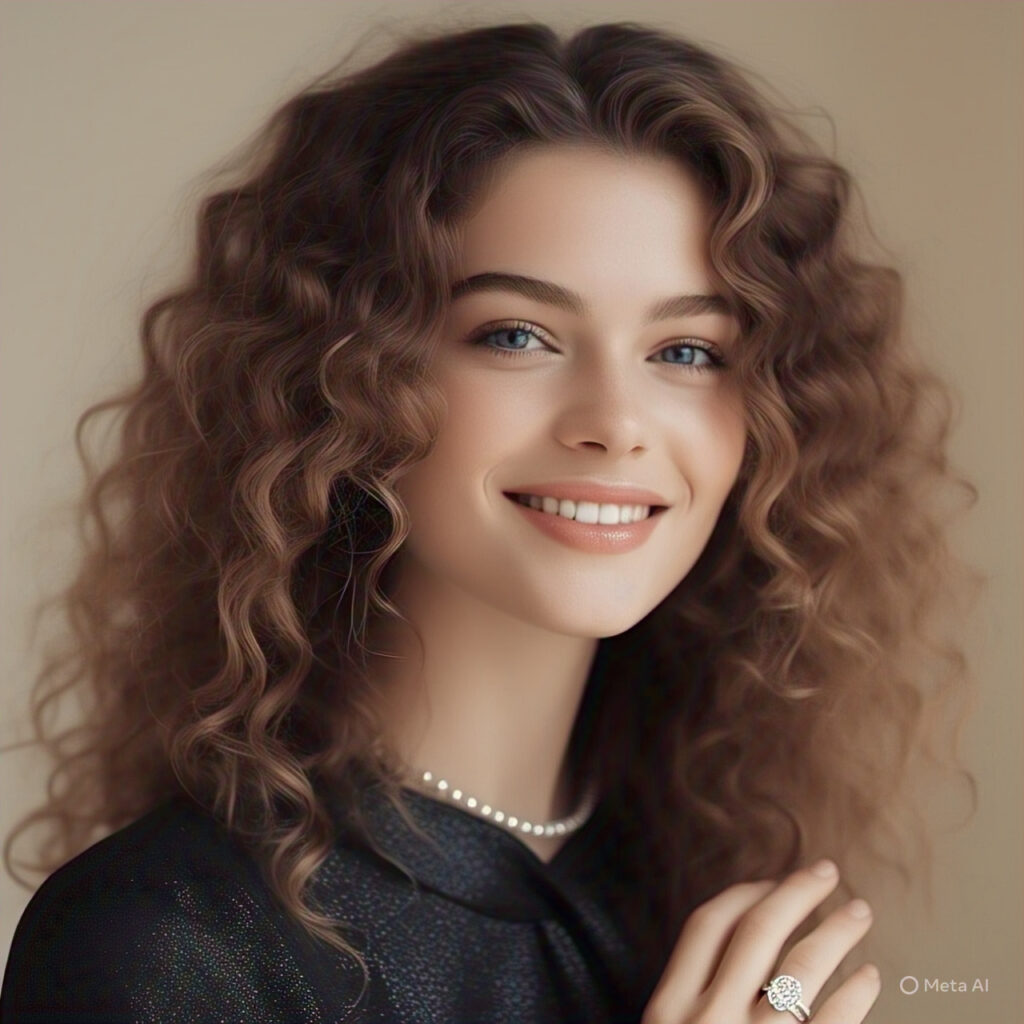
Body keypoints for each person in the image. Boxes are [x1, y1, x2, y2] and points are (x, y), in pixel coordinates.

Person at [0, 18, 980, 1024]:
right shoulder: (162, 940)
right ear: (342, 382)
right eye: (517, 334)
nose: (616, 423)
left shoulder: (707, 902)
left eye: (687, 350)